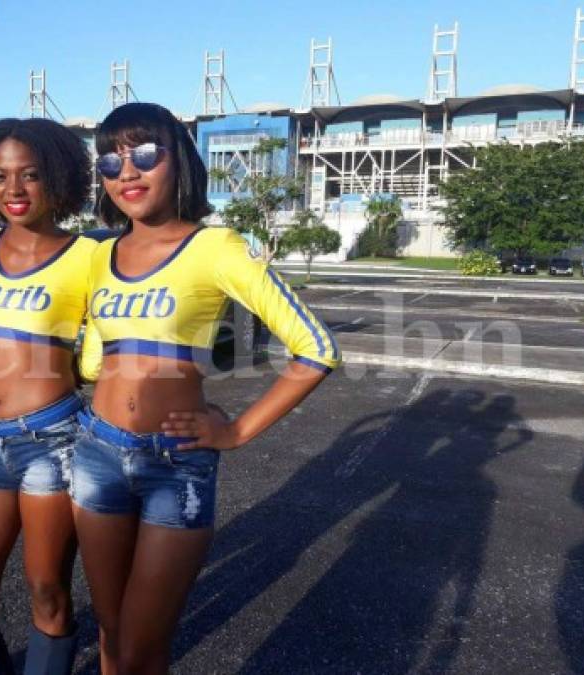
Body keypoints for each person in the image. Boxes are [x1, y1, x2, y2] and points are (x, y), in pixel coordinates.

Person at [72, 102, 341, 674]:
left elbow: (316, 348)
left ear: (180, 162)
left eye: (145, 154)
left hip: (175, 464)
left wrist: (236, 429)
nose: (128, 172)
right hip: (95, 453)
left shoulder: (216, 247)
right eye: (111, 160)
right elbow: (95, 362)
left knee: (144, 645)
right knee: (112, 632)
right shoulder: (99, 255)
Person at [0, 117, 94, 674]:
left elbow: (129, 339)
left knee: (48, 593)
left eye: (30, 175)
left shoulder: (88, 256)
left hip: (52, 441)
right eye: (1, 175)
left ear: (57, 178)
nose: (14, 189)